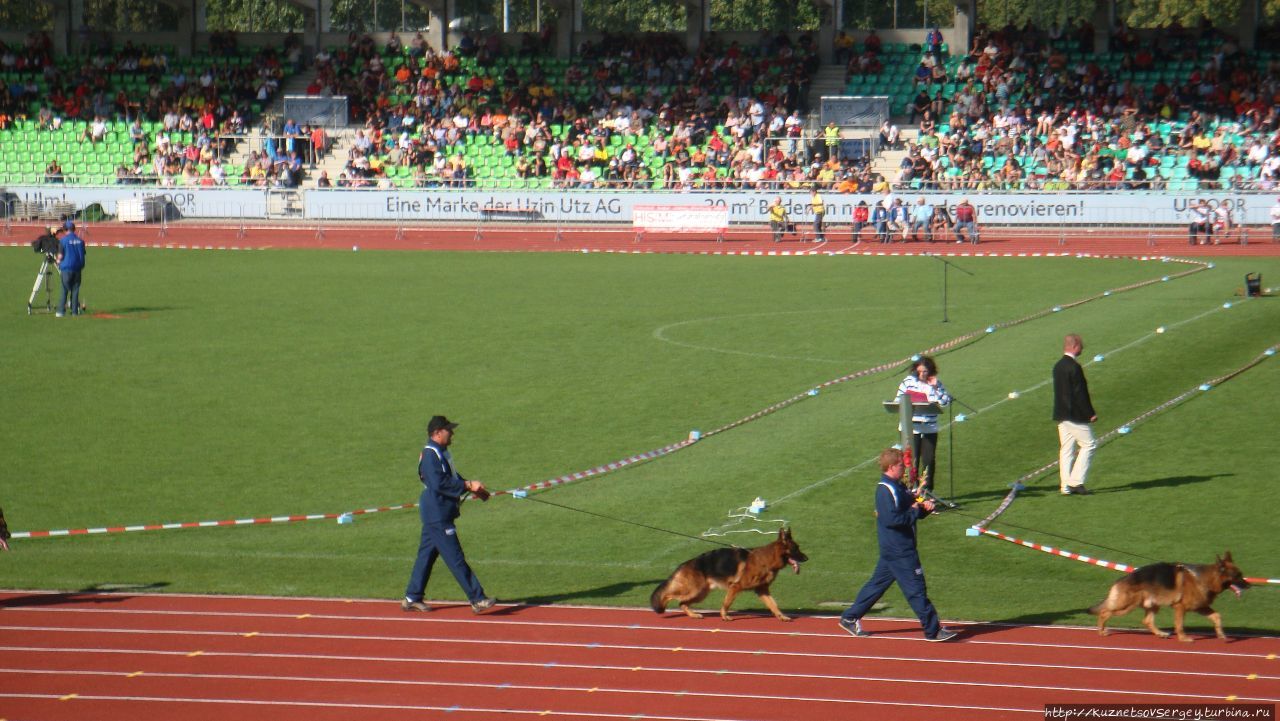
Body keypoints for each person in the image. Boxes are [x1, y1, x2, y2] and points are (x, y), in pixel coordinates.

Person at [838, 448, 957, 642]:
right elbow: (891, 519)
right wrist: (915, 511)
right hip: (900, 550)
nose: (905, 467)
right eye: (902, 464)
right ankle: (933, 630)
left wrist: (923, 508)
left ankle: (849, 617)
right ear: (892, 467)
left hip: (893, 549)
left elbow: (909, 508)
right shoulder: (885, 490)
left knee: (876, 585)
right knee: (916, 589)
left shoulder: (897, 486)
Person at [403, 415, 497, 614]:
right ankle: (477, 598)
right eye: (448, 430)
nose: (452, 433)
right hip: (438, 515)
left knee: (426, 556)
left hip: (436, 513)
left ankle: (412, 596)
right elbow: (438, 483)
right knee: (455, 558)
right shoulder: (431, 455)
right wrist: (467, 485)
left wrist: (472, 488)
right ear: (437, 433)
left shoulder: (440, 452)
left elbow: (451, 477)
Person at [897, 356, 951, 491]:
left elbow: (945, 402)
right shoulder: (908, 382)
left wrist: (935, 388)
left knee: (928, 461)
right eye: (919, 371)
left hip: (929, 427)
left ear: (930, 371)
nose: (921, 374)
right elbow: (898, 400)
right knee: (910, 461)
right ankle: (910, 490)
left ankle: (927, 492)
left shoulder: (936, 384)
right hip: (911, 427)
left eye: (925, 371)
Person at [1053, 334, 1097, 496]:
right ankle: (1076, 481)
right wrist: (1090, 413)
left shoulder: (1058, 365)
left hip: (1061, 413)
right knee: (1089, 444)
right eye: (1081, 346)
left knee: (1066, 449)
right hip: (1074, 415)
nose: (1082, 348)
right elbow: (1080, 393)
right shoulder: (1074, 367)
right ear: (1075, 346)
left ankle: (1065, 485)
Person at [55, 220, 86, 317]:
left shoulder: (63, 241)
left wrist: (57, 262)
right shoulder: (80, 241)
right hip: (78, 268)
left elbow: (60, 256)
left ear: (65, 230)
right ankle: (74, 312)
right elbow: (83, 253)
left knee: (64, 290)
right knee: (75, 290)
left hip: (66, 268)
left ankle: (60, 311)